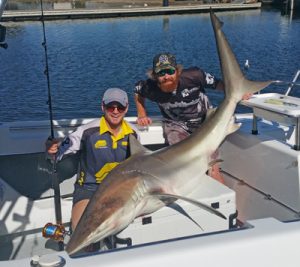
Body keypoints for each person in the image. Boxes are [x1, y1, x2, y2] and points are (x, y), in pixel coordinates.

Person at [46, 88, 138, 231]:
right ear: (103, 107)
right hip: (88, 189)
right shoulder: (86, 131)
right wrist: (52, 149)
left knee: (121, 227)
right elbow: (57, 154)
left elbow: (137, 164)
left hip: (119, 187)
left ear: (126, 108)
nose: (115, 111)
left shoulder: (133, 133)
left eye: (120, 107)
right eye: (110, 106)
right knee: (82, 231)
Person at [134, 53, 227, 183]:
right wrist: (141, 114)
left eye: (170, 71)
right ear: (154, 76)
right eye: (161, 73)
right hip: (176, 125)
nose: (166, 76)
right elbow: (138, 92)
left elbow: (219, 84)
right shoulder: (150, 88)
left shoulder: (194, 76)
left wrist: (237, 92)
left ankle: (221, 196)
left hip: (205, 123)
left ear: (177, 71)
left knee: (212, 168)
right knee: (185, 164)